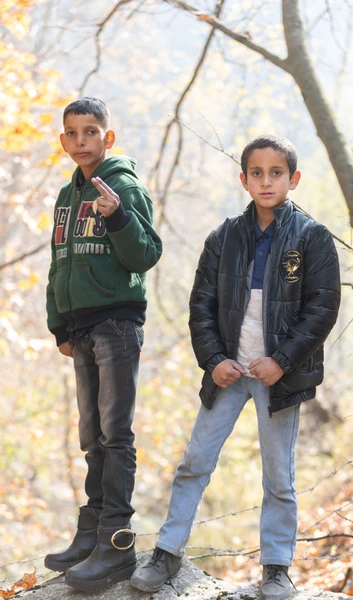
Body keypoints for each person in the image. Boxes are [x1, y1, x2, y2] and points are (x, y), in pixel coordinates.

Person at [130, 135, 341, 600]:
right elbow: (201, 306)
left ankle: (276, 567)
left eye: (277, 173)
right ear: (243, 179)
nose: (267, 181)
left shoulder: (311, 238)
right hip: (229, 372)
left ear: (293, 179)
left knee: (278, 476)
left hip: (278, 377)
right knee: (194, 462)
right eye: (257, 173)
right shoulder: (224, 237)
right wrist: (214, 360)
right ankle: (167, 552)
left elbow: (322, 310)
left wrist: (282, 361)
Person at [44, 97, 162, 592]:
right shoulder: (66, 196)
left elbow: (146, 254)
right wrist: (59, 326)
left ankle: (117, 543)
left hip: (116, 324)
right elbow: (59, 263)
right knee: (90, 434)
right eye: (72, 133)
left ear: (107, 138)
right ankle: (90, 533)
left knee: (116, 433)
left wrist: (117, 216)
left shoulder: (124, 186)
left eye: (90, 132)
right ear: (64, 140)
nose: (80, 141)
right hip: (81, 329)